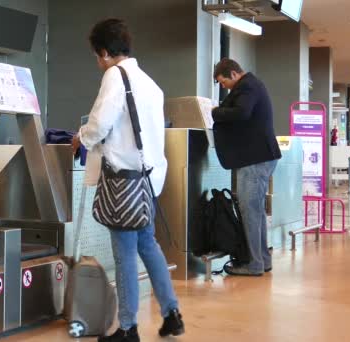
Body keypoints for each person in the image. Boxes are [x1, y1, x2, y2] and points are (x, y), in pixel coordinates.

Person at [72, 18, 184, 342]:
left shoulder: (114, 76)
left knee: (124, 255)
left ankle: (127, 328)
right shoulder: (150, 83)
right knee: (149, 245)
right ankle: (171, 313)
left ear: (105, 52)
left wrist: (81, 137)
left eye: (97, 55)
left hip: (123, 184)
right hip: (148, 182)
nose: (97, 62)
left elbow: (99, 124)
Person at [211, 58, 281, 276]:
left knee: (250, 211)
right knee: (256, 211)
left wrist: (215, 112)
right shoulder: (252, 85)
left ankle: (254, 263)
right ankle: (262, 259)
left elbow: (242, 113)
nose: (224, 87)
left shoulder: (247, 86)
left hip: (255, 159)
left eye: (223, 82)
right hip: (260, 157)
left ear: (233, 74)